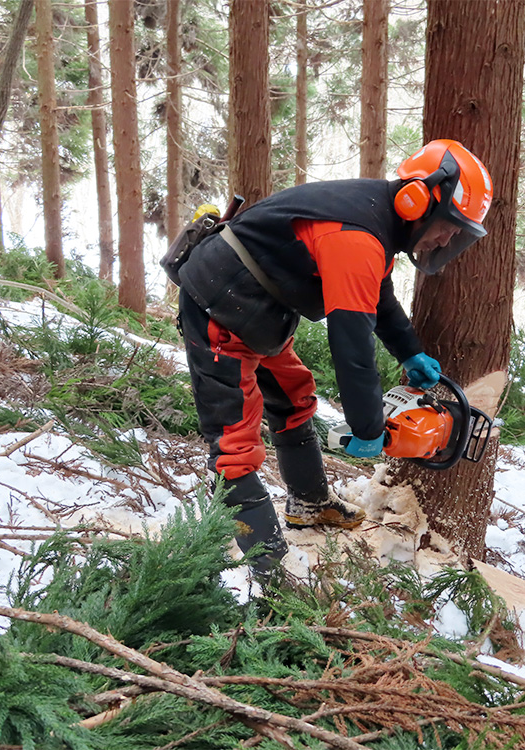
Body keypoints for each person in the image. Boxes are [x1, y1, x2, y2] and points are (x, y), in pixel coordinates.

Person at [173, 139, 493, 579]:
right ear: (418, 199)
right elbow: (351, 344)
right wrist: (368, 428)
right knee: (235, 444)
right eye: (449, 225)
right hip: (219, 304)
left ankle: (308, 502)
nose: (448, 237)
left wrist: (410, 350)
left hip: (259, 307)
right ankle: (267, 568)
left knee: (294, 394)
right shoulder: (356, 237)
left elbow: (377, 298)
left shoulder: (376, 222)